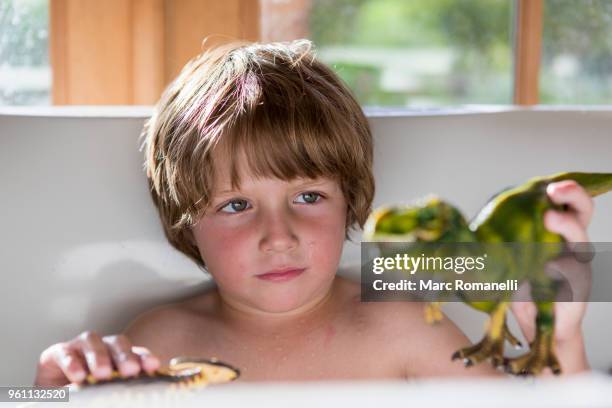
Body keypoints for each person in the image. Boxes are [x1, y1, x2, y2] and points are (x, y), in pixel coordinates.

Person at [34, 39, 592, 386]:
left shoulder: (397, 326)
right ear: (187, 224)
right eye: (235, 205)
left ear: (349, 197)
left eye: (308, 197)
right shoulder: (161, 340)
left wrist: (561, 338)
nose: (279, 237)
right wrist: (48, 395)